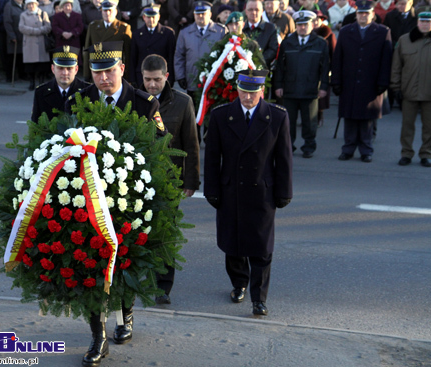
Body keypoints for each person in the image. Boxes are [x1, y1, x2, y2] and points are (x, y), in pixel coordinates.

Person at [64, 41, 165, 367]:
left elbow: (159, 149)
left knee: (125, 263)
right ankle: (99, 337)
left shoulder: (145, 103)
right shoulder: (81, 100)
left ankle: (127, 315)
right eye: (97, 72)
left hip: (130, 199)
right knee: (90, 265)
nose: (104, 78)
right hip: (88, 198)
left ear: (122, 69)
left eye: (110, 71)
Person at [204, 69, 293, 317]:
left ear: (261, 92)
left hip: (261, 192)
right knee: (233, 244)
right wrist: (211, 189)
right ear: (237, 89)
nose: (247, 97)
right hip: (231, 190)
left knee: (262, 248)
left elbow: (284, 159)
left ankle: (259, 298)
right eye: (243, 91)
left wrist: (284, 191)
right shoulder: (222, 116)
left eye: (253, 93)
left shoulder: (276, 117)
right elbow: (212, 158)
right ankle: (238, 283)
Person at [140, 54, 199, 304]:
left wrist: (191, 181)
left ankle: (163, 286)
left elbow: (192, 144)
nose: (152, 85)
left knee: (165, 233)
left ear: (167, 77)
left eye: (156, 80)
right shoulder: (135, 99)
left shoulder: (183, 102)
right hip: (139, 179)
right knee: (140, 232)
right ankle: (141, 278)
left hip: (169, 180)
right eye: (147, 80)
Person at [331, 0, 393, 163]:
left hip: (371, 81)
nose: (363, 16)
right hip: (349, 80)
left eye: (366, 13)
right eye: (360, 13)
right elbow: (338, 58)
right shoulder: (346, 31)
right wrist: (336, 80)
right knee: (349, 116)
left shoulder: (382, 31)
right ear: (356, 14)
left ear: (373, 15)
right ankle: (348, 148)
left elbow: (386, 59)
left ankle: (366, 150)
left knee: (367, 118)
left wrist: (383, 82)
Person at [274, 10, 329, 158]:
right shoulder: (287, 43)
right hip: (290, 89)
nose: (302, 28)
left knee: (309, 121)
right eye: (299, 25)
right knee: (288, 121)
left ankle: (309, 146)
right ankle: (288, 145)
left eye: (305, 25)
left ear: (312, 25)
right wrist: (278, 85)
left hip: (311, 89)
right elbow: (280, 67)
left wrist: (324, 87)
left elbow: (325, 68)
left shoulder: (320, 43)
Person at [391, 10, 431, 167]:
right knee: (407, 126)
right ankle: (406, 153)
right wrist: (395, 86)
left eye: (428, 22)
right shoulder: (405, 40)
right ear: (417, 22)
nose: (425, 24)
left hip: (429, 92)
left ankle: (426, 154)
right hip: (409, 91)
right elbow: (396, 65)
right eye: (422, 21)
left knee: (429, 127)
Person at [175, 1, 226, 100]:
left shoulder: (221, 31)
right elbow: (179, 56)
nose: (200, 16)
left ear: (210, 14)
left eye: (203, 13)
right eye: (197, 14)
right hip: (192, 80)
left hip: (214, 81)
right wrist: (180, 76)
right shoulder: (185, 33)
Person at [31, 45, 90, 122]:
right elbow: (35, 126)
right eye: (60, 68)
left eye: (69, 68)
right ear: (53, 69)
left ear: (76, 69)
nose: (65, 73)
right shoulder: (41, 92)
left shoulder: (88, 91)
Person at [83, 0, 131, 81]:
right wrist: (87, 75)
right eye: (105, 10)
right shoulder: (93, 26)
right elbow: (87, 52)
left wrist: (127, 75)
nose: (107, 13)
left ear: (116, 12)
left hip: (114, 71)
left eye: (110, 10)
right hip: (97, 69)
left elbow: (128, 54)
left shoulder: (124, 28)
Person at [130, 3, 176, 87]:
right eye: (148, 17)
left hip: (160, 76)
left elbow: (171, 57)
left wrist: (171, 78)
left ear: (159, 17)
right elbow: (133, 58)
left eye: (153, 17)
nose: (151, 20)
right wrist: (132, 79)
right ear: (144, 17)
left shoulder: (168, 33)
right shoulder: (136, 34)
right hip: (142, 77)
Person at [19, 0, 51, 90]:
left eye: (32, 4)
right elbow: (21, 27)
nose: (31, 6)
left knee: (42, 65)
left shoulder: (43, 13)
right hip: (29, 43)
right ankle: (31, 82)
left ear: (36, 4)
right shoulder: (23, 15)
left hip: (41, 43)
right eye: (29, 4)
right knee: (30, 66)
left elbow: (48, 26)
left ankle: (41, 82)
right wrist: (35, 31)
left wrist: (40, 30)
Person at [313, 10, 336, 127]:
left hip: (323, 69)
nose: (315, 21)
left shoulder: (329, 34)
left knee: (321, 96)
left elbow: (333, 53)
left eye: (318, 19)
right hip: (309, 69)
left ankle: (319, 116)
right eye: (313, 19)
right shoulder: (306, 34)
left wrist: (331, 69)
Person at [243, 0, 279, 68]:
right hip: (243, 69)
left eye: (257, 10)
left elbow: (273, 50)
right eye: (250, 10)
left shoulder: (270, 28)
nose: (253, 12)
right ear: (246, 12)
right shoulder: (241, 28)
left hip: (262, 70)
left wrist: (257, 61)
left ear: (262, 11)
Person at [4, 0, 26, 82]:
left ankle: (22, 74)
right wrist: (12, 35)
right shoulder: (9, 5)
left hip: (23, 36)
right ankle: (10, 76)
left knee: (21, 56)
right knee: (12, 56)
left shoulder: (25, 5)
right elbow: (7, 22)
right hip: (14, 35)